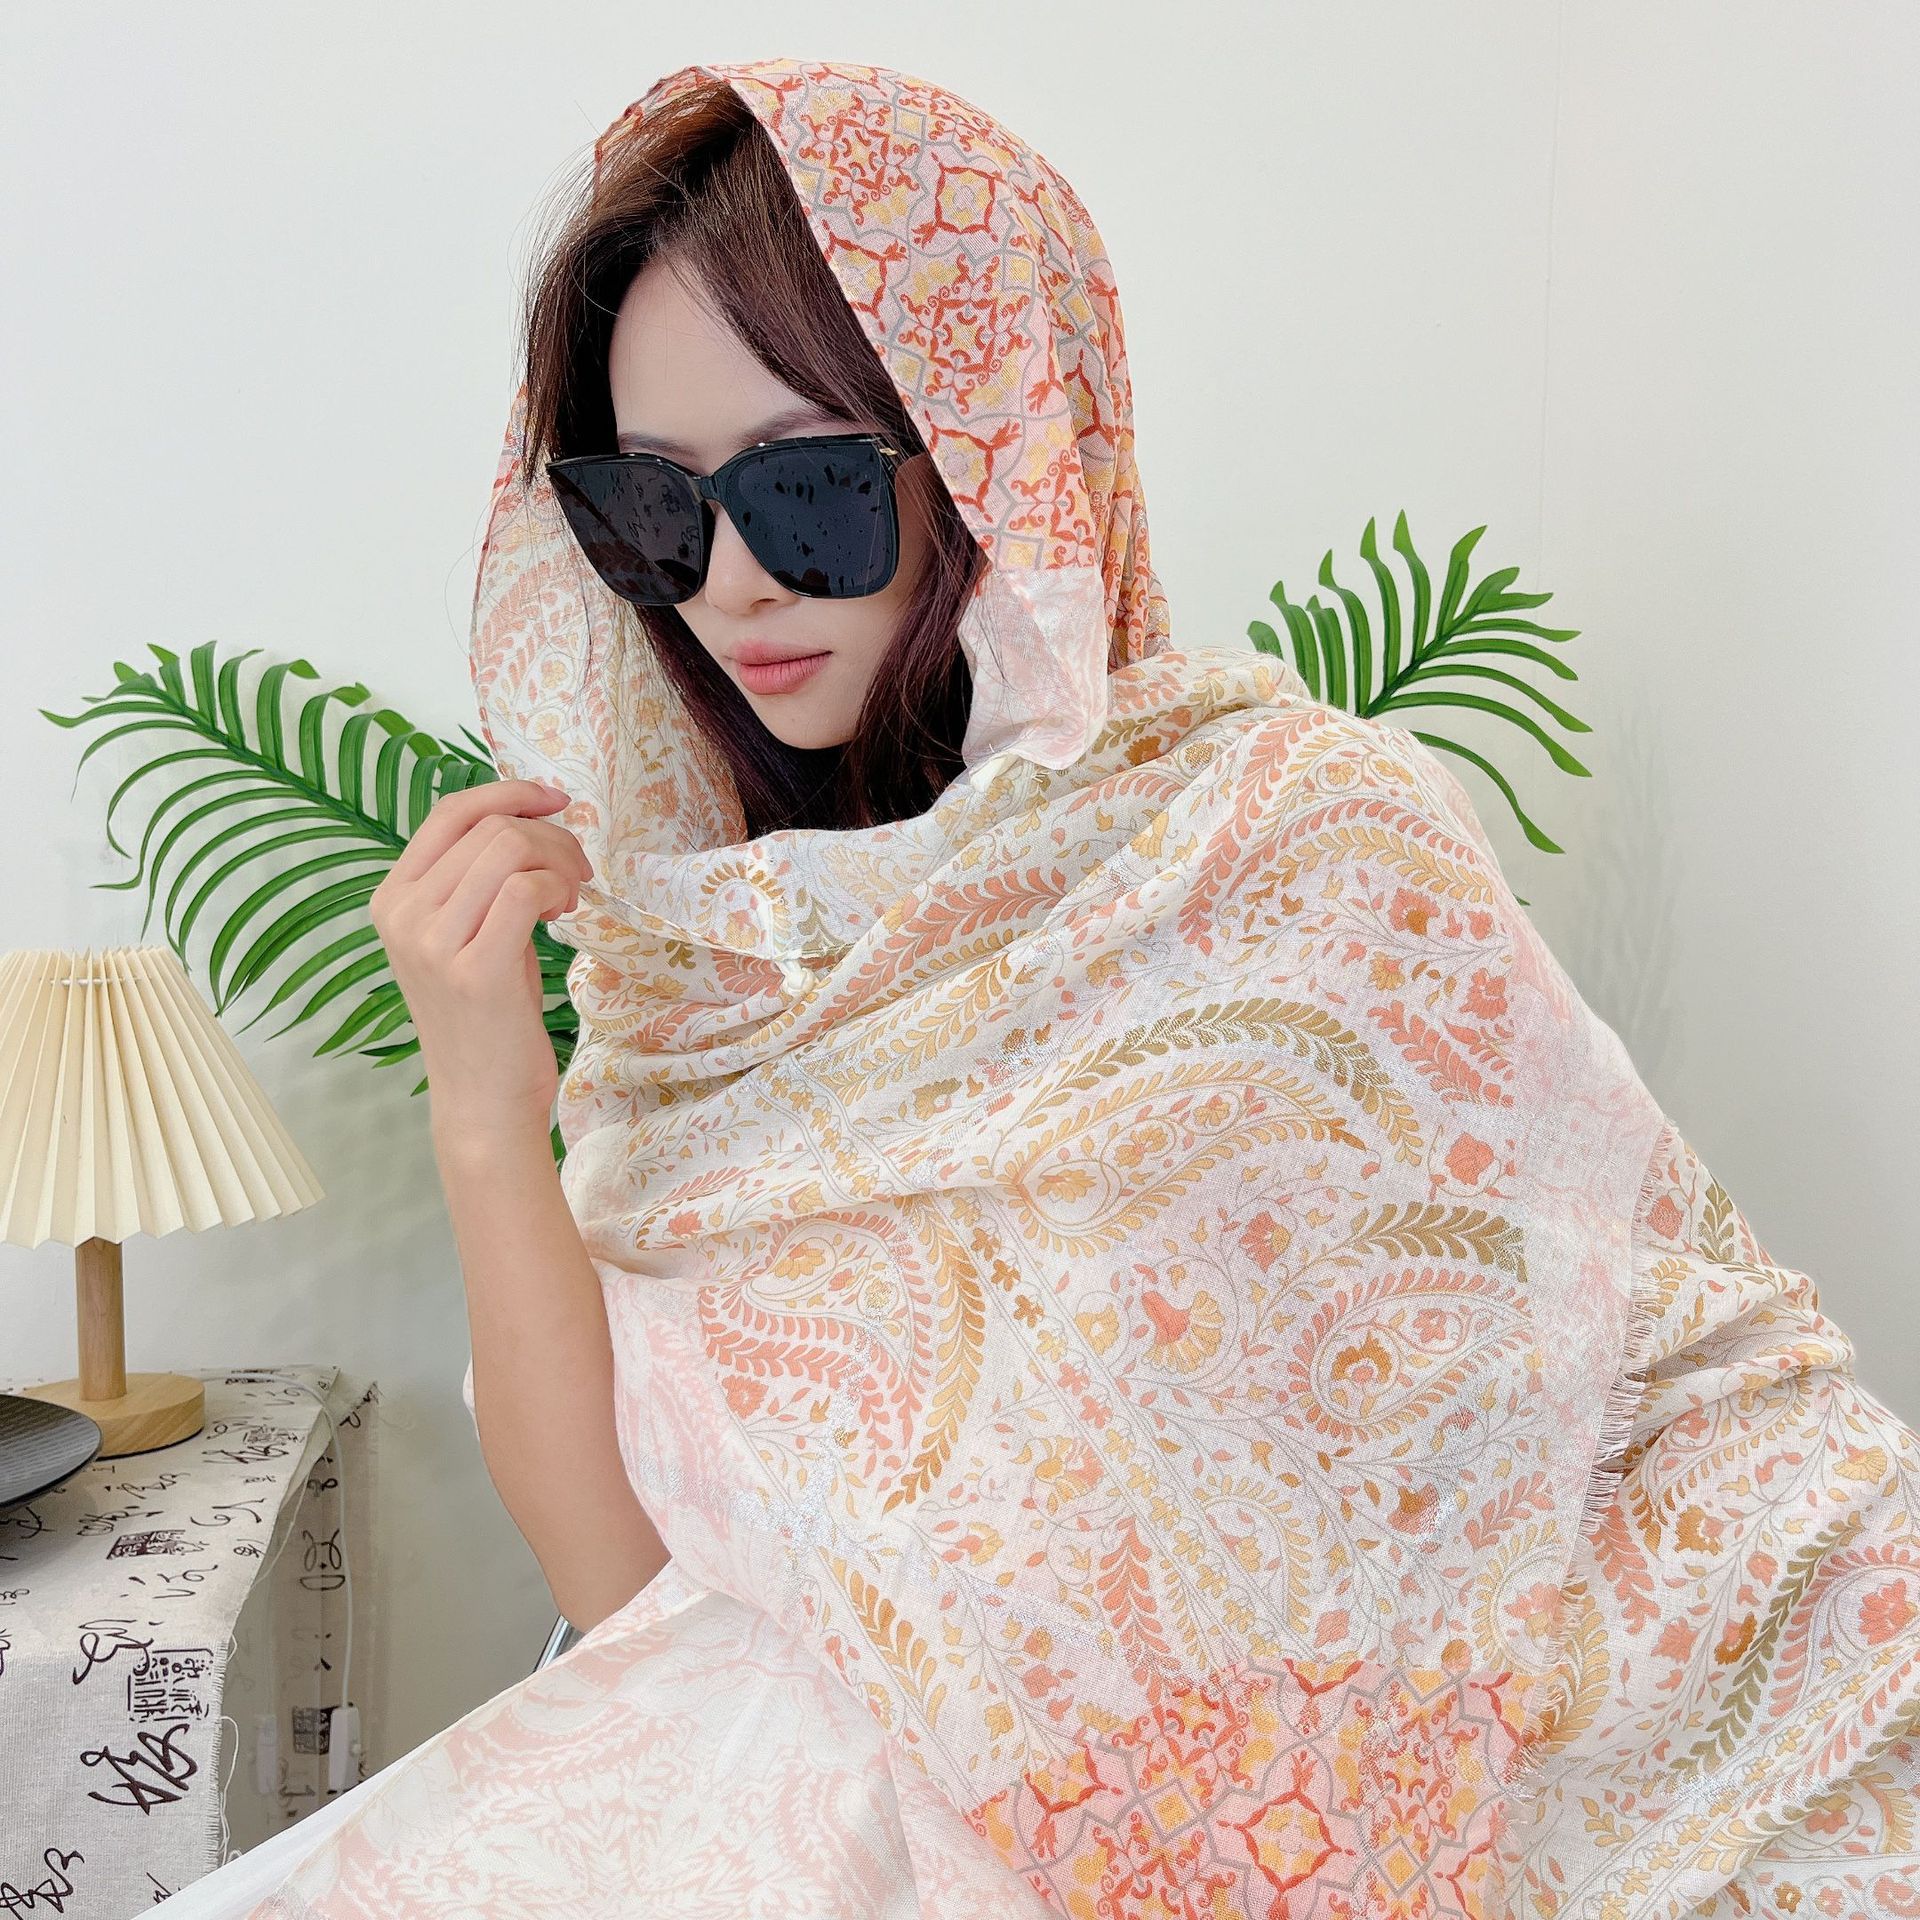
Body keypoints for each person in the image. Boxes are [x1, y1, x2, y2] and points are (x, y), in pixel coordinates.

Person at [155, 58, 1920, 1920]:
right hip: (811, 1814)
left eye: (810, 490)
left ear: (1006, 453)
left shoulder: (1300, 842)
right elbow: (625, 1596)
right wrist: (482, 1106)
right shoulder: (699, 968)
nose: (730, 583)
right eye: (651, 511)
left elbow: (1657, 1400)